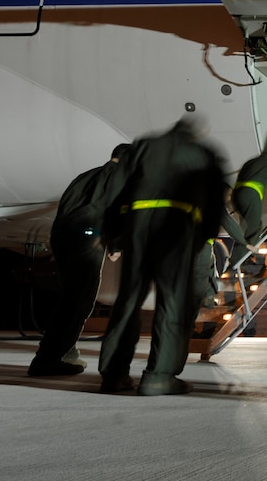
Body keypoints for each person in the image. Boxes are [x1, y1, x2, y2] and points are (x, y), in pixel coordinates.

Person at [96, 116, 228, 396]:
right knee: (172, 302)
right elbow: (215, 203)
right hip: (176, 225)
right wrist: (201, 238)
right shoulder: (204, 153)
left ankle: (113, 375)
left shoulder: (144, 145)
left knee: (128, 300)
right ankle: (159, 376)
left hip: (137, 224)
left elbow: (116, 190)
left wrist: (113, 236)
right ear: (197, 134)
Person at [27, 144, 131, 377]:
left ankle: (66, 351)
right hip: (87, 239)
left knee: (69, 298)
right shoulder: (120, 177)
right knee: (80, 302)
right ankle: (47, 360)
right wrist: (116, 245)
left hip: (61, 236)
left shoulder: (84, 176)